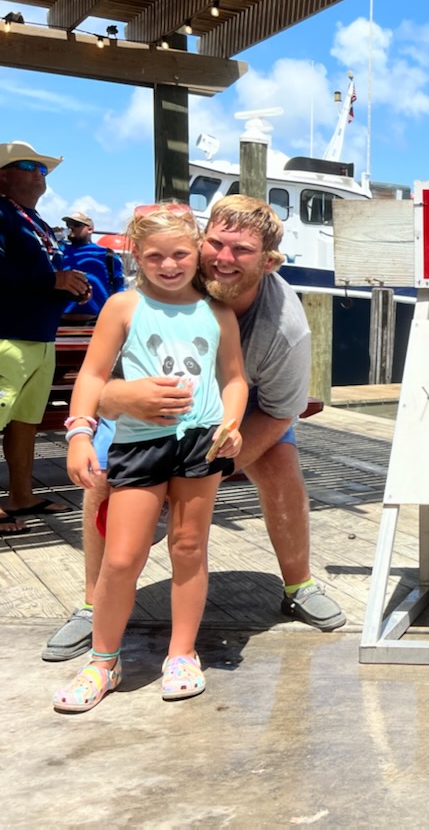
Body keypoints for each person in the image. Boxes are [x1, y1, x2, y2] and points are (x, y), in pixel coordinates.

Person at [43, 195, 346, 663]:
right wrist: (115, 404)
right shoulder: (161, 277)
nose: (223, 259)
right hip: (144, 409)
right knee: (101, 476)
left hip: (240, 415)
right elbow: (99, 379)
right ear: (201, 241)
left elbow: (282, 411)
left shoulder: (285, 327)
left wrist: (208, 466)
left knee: (282, 463)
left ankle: (298, 584)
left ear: (268, 262)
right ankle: (92, 602)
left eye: (242, 251)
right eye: (216, 244)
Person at [53, 204, 247, 711]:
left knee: (188, 547)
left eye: (180, 254)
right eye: (155, 255)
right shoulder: (123, 306)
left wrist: (232, 424)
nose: (168, 265)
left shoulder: (218, 311)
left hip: (201, 444)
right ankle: (103, 661)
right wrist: (78, 433)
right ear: (136, 253)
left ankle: (181, 654)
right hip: (138, 444)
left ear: (197, 253)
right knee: (120, 558)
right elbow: (93, 377)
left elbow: (233, 379)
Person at [1, 140, 88, 530]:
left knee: (25, 421)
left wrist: (70, 285)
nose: (39, 173)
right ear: (2, 175)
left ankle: (21, 496)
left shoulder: (33, 220)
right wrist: (52, 279)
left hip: (40, 335)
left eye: (43, 169)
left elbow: (43, 277)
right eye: (27, 165)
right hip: (8, 335)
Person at [60, 210, 125, 320]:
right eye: (68, 225)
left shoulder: (107, 254)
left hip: (97, 322)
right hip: (58, 322)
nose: (71, 228)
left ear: (90, 229)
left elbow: (119, 286)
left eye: (76, 225)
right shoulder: (59, 252)